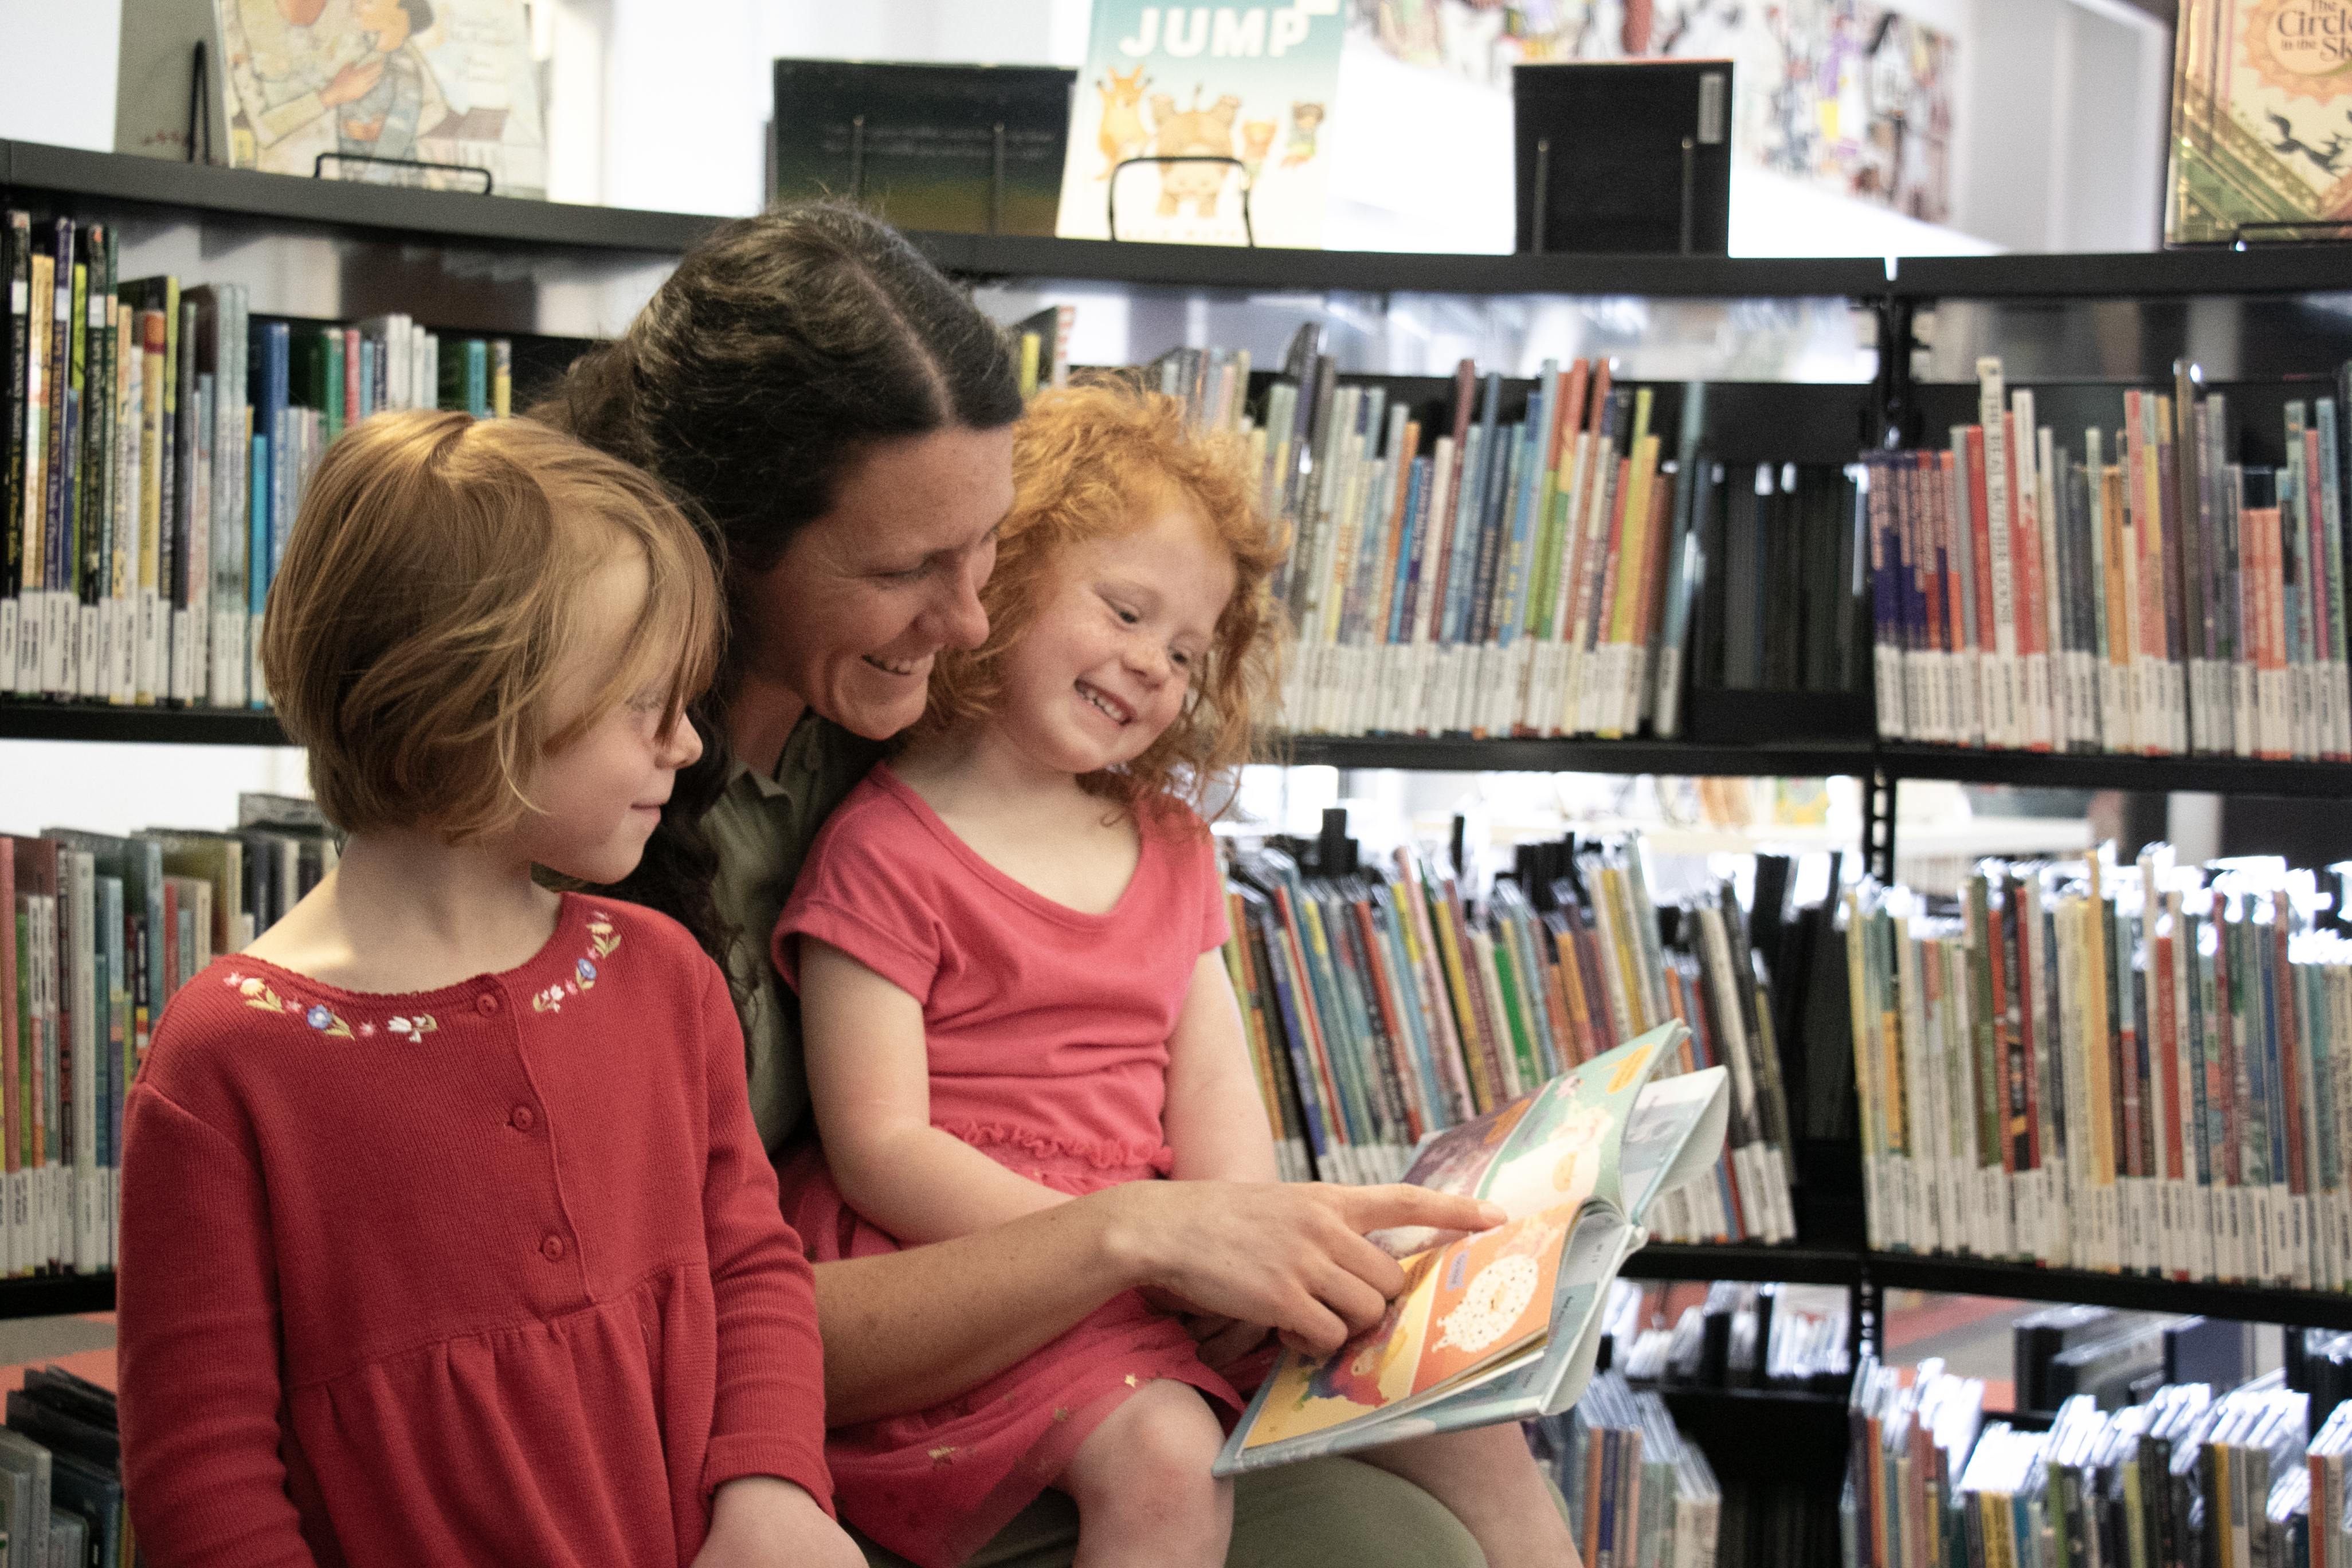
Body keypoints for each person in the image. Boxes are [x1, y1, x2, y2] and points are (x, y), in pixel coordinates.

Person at [538, 203, 1524, 1568]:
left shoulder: (924, 742)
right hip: (820, 1402)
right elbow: (689, 1331)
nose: (966, 624)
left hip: (1078, 1313)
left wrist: (1242, 1238)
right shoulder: (595, 834)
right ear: (731, 546)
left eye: (989, 550)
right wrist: (1140, 1237)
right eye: (905, 570)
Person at [776, 382, 1582, 1568]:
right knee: (1167, 1460)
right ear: (1004, 573)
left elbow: (1215, 1098)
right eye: (1126, 610)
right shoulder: (882, 850)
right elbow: (880, 1149)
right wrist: (1128, 1244)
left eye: (1187, 650)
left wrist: (1244, 1248)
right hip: (973, 1269)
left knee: (1456, 1392)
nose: (1154, 666)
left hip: (1175, 1262)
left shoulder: (1169, 846)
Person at [117, 411, 864, 1568]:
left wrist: (774, 1488)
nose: (685, 746)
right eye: (642, 704)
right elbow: (202, 1472)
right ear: (475, 704)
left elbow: (753, 1271)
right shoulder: (229, 1060)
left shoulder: (664, 976)